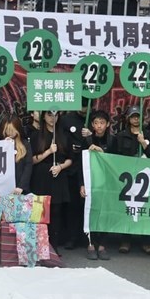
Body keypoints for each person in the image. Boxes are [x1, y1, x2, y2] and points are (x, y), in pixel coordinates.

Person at [112, 105, 150, 255]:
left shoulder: (148, 135)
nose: (135, 119)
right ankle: (125, 239)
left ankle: (146, 241)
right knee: (127, 207)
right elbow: (114, 156)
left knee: (144, 207)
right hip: (127, 179)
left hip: (144, 178)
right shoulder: (120, 136)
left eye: (138, 116)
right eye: (133, 116)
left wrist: (143, 142)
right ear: (128, 118)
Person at [30, 110, 72, 251]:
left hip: (57, 175)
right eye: (49, 114)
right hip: (41, 176)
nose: (52, 118)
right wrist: (48, 151)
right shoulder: (36, 135)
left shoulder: (64, 135)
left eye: (55, 115)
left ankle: (53, 246)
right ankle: (38, 244)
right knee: (40, 211)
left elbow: (70, 159)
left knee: (56, 211)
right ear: (43, 116)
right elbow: (32, 160)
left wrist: (60, 167)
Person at [80, 109, 113, 260]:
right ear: (92, 125)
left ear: (108, 124)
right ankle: (91, 243)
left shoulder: (113, 141)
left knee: (105, 213)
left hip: (107, 183)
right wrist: (81, 184)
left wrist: (102, 153)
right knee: (90, 211)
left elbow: (117, 163)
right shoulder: (87, 141)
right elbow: (80, 164)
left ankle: (103, 245)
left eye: (102, 123)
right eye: (96, 123)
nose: (99, 126)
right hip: (90, 182)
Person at [59, 103, 90, 250]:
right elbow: (59, 137)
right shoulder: (66, 119)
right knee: (71, 205)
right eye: (81, 105)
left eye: (86, 106)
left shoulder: (93, 120)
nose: (83, 109)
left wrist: (90, 136)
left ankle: (86, 237)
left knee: (87, 205)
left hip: (89, 167)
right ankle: (70, 237)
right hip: (70, 167)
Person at [0, 116, 33, 195]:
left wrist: (22, 186)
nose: (9, 133)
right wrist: (4, 146)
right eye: (7, 130)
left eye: (12, 130)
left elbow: (28, 166)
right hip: (2, 187)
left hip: (19, 187)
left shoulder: (25, 144)